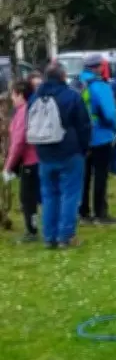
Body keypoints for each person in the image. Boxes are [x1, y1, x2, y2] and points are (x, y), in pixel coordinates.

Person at [28, 63, 91, 249]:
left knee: (48, 195)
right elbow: (84, 126)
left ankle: (49, 236)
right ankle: (66, 236)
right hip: (69, 151)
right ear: (63, 76)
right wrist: (84, 147)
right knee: (70, 194)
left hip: (44, 152)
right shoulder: (71, 96)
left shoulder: (35, 98)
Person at [78, 54, 116, 225]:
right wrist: (114, 126)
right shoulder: (99, 86)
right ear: (100, 67)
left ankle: (83, 212)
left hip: (81, 138)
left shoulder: (76, 84)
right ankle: (100, 213)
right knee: (100, 175)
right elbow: (109, 113)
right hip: (100, 135)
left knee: (84, 176)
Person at [3, 80, 40, 243]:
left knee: (28, 199)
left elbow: (18, 142)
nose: (11, 98)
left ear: (19, 94)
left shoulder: (22, 112)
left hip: (30, 162)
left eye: (13, 94)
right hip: (38, 159)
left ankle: (32, 231)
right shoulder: (32, 108)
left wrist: (8, 166)